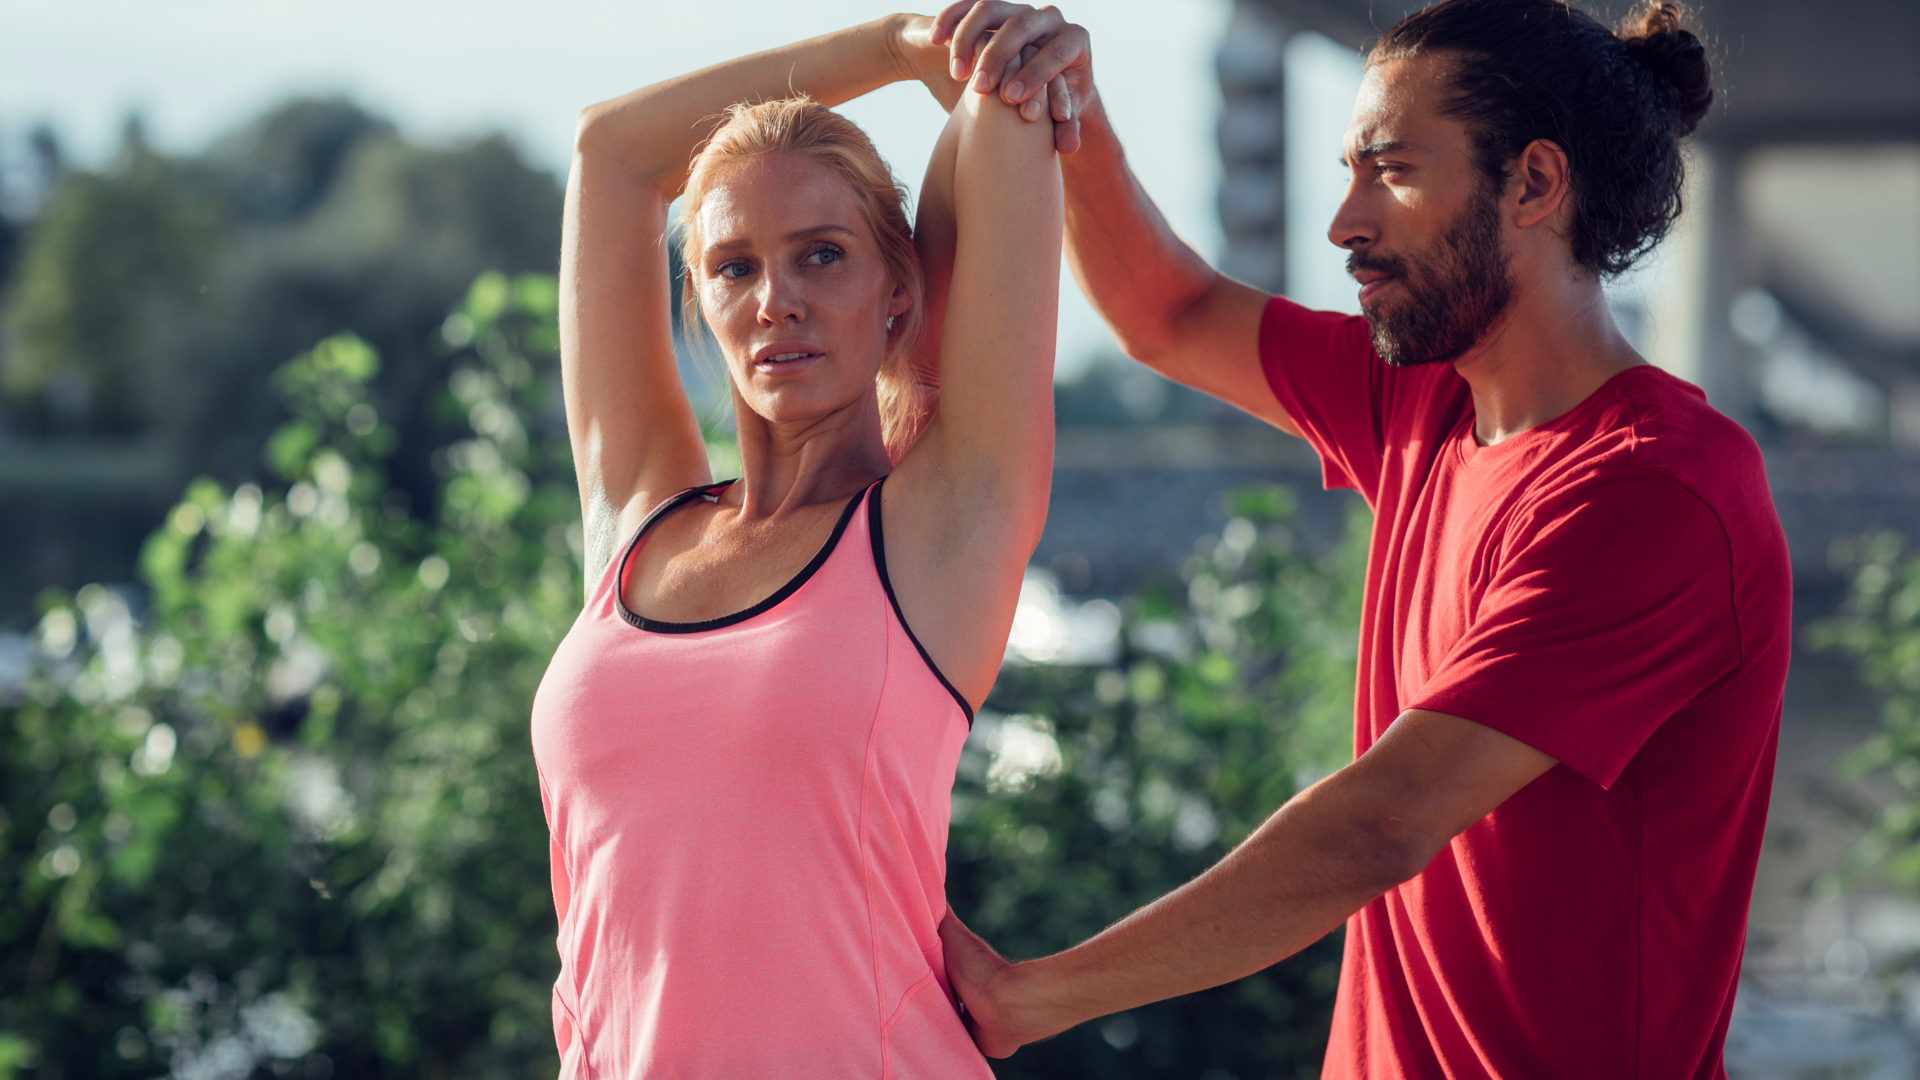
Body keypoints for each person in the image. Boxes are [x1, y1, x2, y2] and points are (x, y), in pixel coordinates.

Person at [930, 0, 1793, 1074]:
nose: (1343, 221)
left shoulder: (1654, 489)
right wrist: (1074, 107)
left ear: (1532, 183)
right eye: (1348, 171)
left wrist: (1032, 996)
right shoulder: (1426, 403)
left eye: (1389, 169)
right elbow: (1171, 312)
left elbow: (1383, 821)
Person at [527, 17, 1065, 1077]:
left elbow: (1004, 103)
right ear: (704, 303)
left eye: (823, 255)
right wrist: (892, 40)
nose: (778, 300)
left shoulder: (937, 529)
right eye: (734, 267)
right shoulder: (637, 523)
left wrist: (956, 50)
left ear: (896, 290)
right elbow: (613, 153)